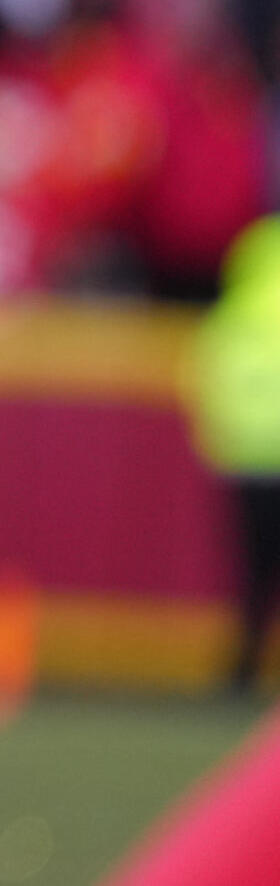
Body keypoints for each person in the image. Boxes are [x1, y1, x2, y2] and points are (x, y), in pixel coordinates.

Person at [191, 215, 280, 694]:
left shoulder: (233, 317)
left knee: (253, 574)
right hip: (253, 458)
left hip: (246, 462)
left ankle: (241, 671)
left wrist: (220, 447)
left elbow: (209, 383)